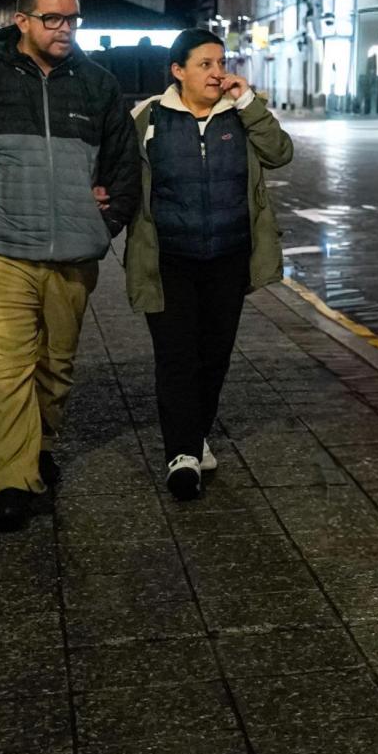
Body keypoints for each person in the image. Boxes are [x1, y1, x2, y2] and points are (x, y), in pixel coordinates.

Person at [0, 0, 140, 533]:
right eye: (53, 19)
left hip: (72, 254)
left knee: (54, 369)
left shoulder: (97, 85)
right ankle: (13, 484)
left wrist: (104, 222)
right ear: (23, 21)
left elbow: (124, 165)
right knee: (5, 368)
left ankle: (36, 446)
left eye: (72, 19)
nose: (65, 29)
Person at [124, 29, 294, 499]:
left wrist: (248, 103)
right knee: (177, 355)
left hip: (228, 255)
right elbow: (120, 177)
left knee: (213, 355)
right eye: (205, 64)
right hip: (168, 258)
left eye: (220, 63)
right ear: (178, 72)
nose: (217, 73)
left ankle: (195, 435)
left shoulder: (239, 116)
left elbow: (280, 153)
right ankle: (181, 455)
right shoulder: (148, 117)